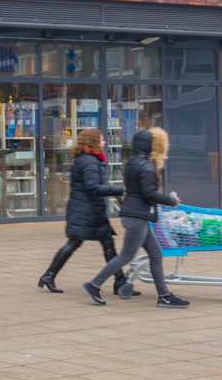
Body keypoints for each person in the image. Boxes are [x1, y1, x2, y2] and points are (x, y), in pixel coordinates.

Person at [79, 127, 187, 307]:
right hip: (137, 216)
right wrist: (170, 200)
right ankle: (93, 285)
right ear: (149, 145)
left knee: (156, 254)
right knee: (126, 255)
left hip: (135, 214)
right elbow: (149, 193)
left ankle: (164, 296)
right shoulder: (146, 166)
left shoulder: (132, 162)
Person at [38, 127, 130, 297]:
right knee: (76, 243)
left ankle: (120, 282)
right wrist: (119, 189)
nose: (104, 142)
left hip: (89, 210)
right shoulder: (89, 161)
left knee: (105, 244)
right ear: (93, 142)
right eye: (101, 139)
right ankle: (48, 276)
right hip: (86, 212)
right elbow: (92, 187)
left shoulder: (88, 159)